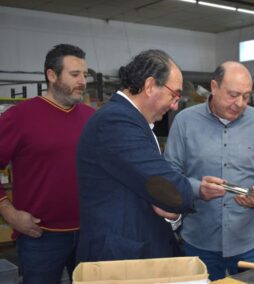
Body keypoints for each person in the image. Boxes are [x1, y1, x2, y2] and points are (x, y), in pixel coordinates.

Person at [164, 61, 254, 281]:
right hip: (200, 240)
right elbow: (170, 175)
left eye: (246, 96)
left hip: (248, 241)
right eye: (233, 94)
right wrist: (199, 189)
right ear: (214, 87)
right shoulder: (185, 121)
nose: (240, 103)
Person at [76, 49, 194, 263]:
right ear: (150, 86)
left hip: (137, 249)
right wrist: (194, 189)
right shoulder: (116, 122)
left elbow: (161, 191)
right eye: (174, 95)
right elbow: (174, 190)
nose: (175, 105)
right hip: (120, 258)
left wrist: (172, 209)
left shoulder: (133, 121)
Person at [0, 44, 95, 283]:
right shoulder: (19, 116)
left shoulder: (92, 117)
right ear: (52, 75)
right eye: (75, 75)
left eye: (85, 74)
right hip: (40, 236)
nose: (83, 81)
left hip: (90, 232)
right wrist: (9, 213)